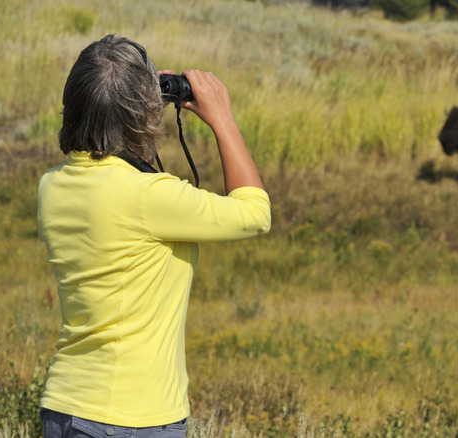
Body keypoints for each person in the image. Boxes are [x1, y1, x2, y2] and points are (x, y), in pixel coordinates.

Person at [36, 34, 271, 437]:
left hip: (65, 408)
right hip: (131, 419)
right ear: (142, 110)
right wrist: (222, 118)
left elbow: (119, 174)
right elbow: (255, 213)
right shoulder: (149, 197)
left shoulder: (52, 186)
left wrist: (136, 111)